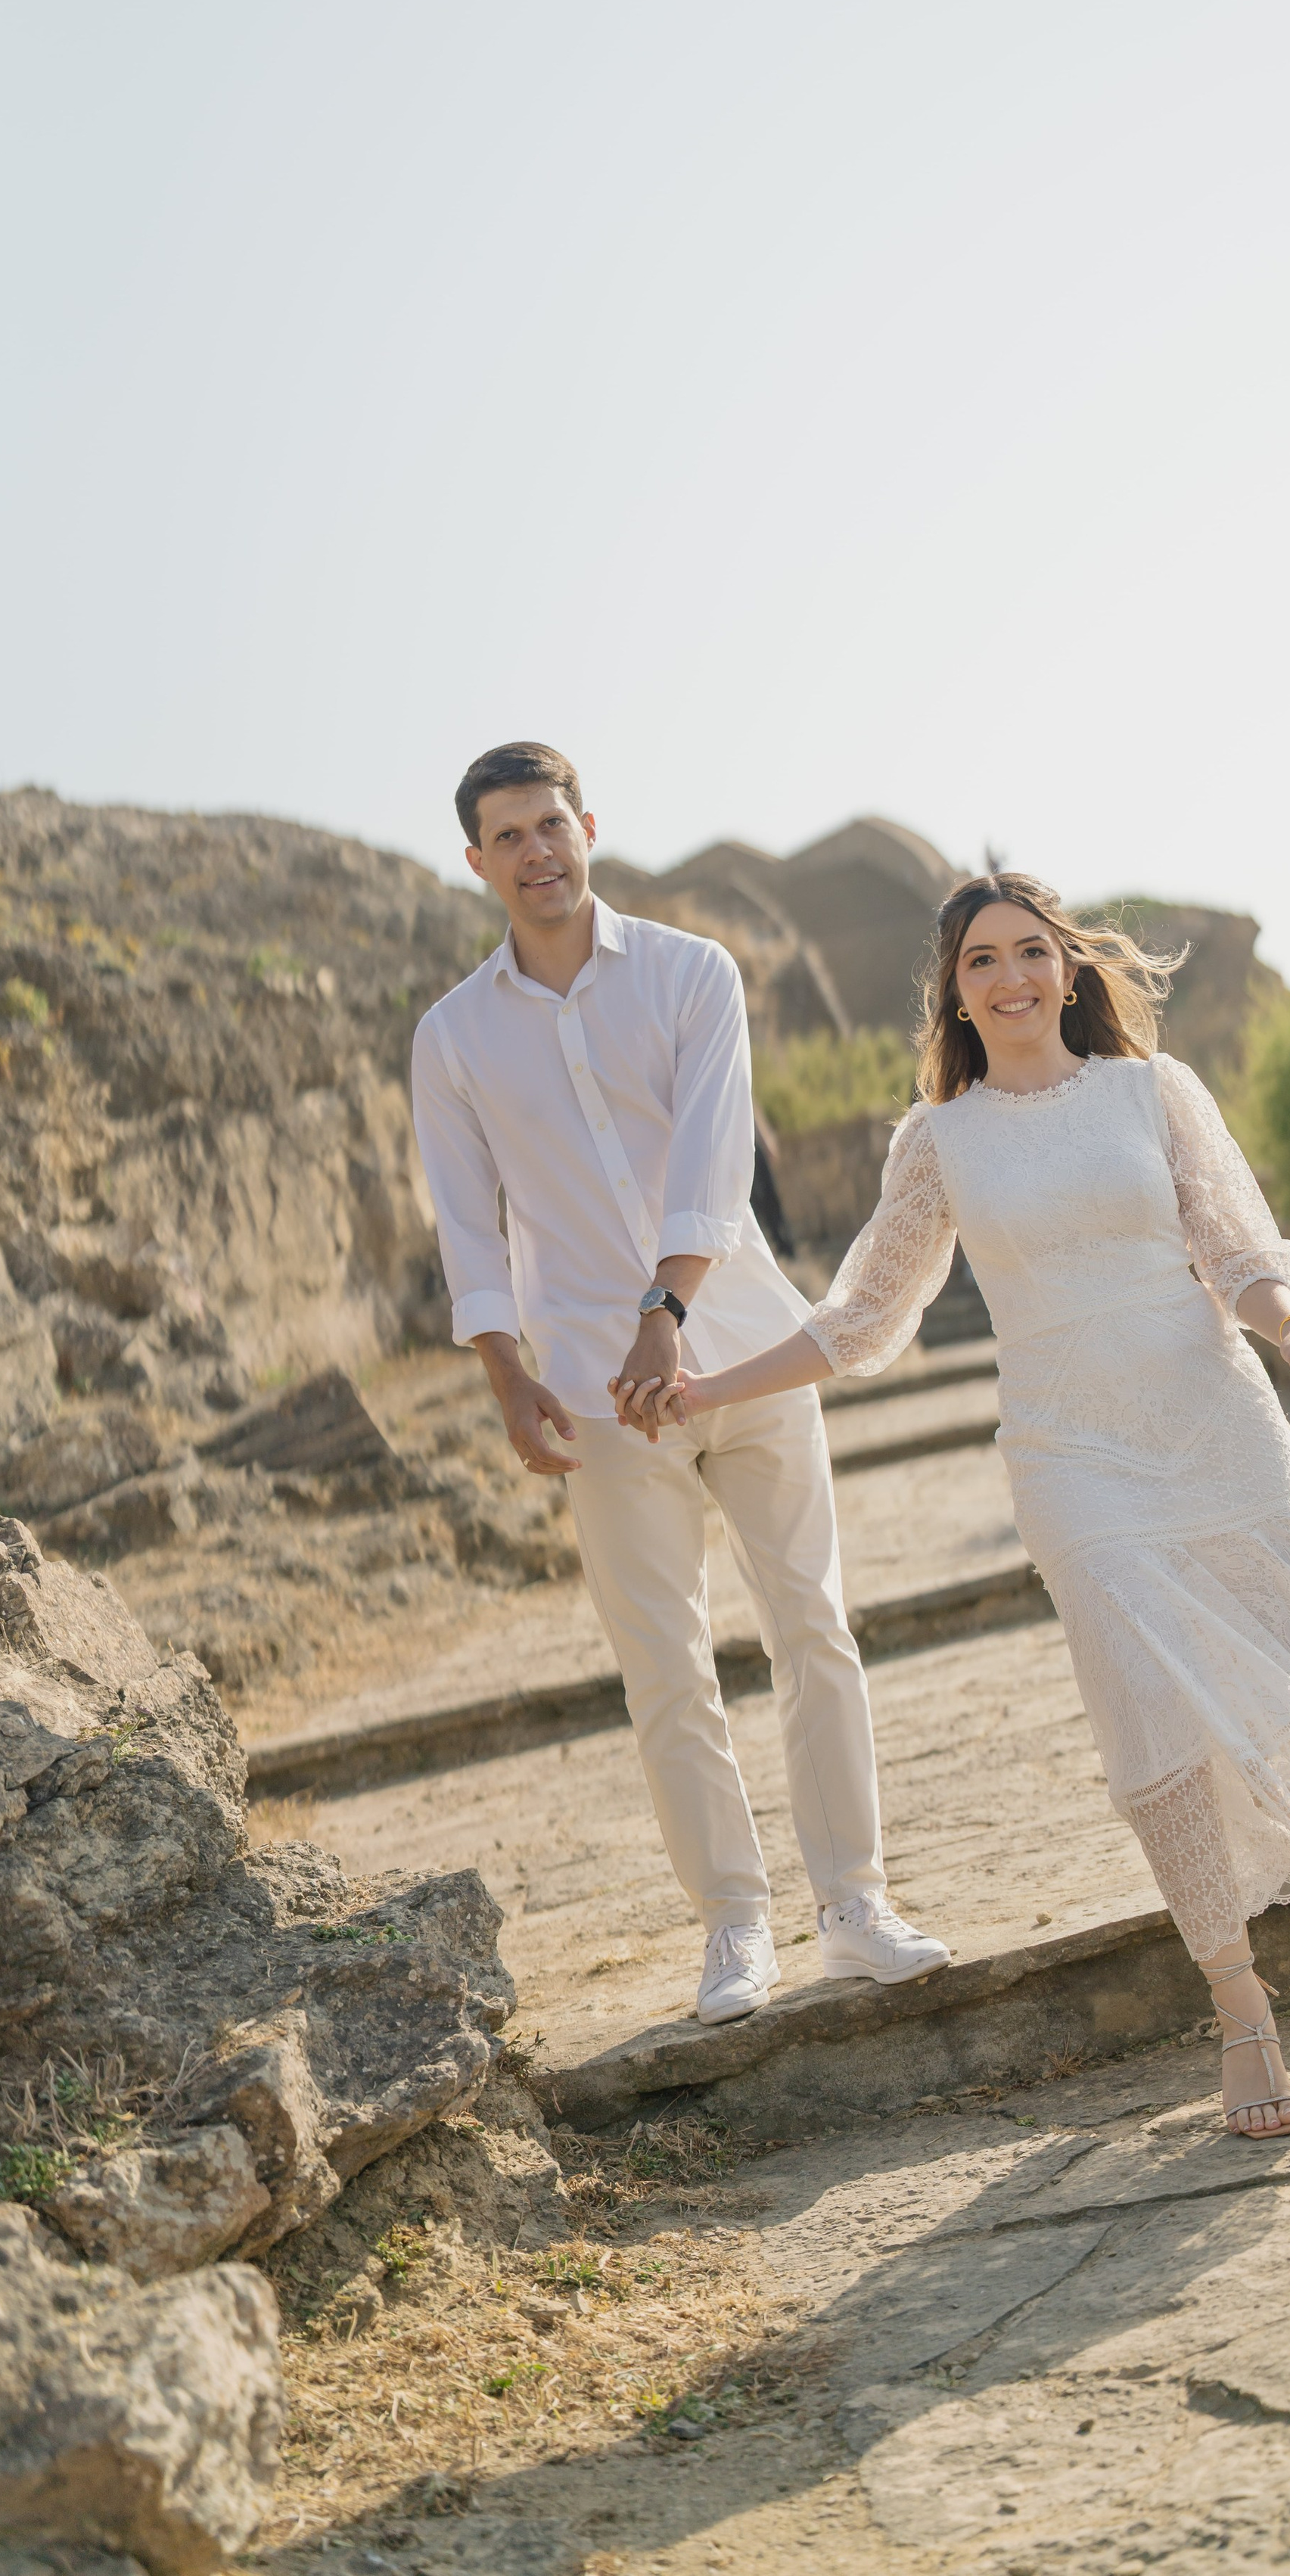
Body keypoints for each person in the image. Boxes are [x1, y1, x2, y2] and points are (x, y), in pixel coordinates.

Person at [645, 873, 1290, 2136]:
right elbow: (861, 1317)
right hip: (1069, 1457)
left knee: (1273, 1679)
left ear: (1067, 966)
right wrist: (710, 1380)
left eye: (1030, 952)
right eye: (981, 960)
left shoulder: (1153, 1091)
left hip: (1212, 1417)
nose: (1010, 977)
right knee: (1145, 1715)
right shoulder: (939, 1139)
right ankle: (1239, 2002)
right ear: (954, 989)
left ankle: (1271, 1894)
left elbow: (1238, 1250)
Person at [411, 742, 947, 2027]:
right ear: (477, 861)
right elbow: (466, 1227)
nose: (537, 849)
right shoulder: (452, 1037)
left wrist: (669, 1313)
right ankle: (734, 1927)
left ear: (588, 825)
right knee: (665, 1666)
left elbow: (714, 1162)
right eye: (509, 834)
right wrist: (507, 1378)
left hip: (748, 1350)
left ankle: (855, 1904)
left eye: (552, 822)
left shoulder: (695, 973)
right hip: (594, 1396)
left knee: (811, 1625)